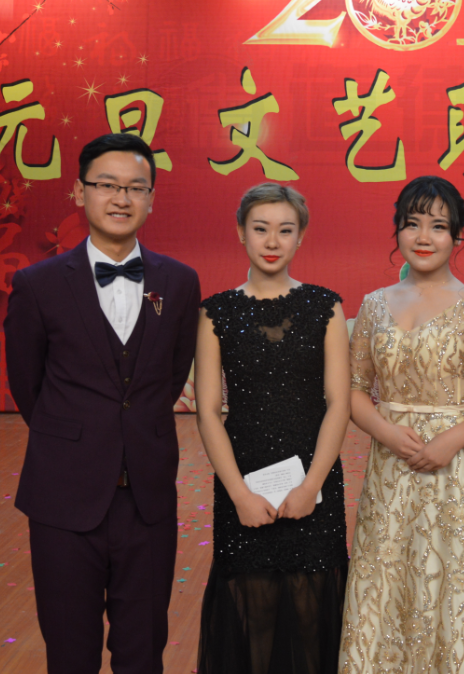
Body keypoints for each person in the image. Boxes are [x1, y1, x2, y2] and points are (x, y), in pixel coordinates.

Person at [4, 132, 202, 674]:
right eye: (107, 185)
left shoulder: (179, 282)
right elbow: (28, 387)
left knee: (143, 651)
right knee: (70, 652)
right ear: (79, 191)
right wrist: (80, 435)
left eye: (136, 187)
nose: (121, 198)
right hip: (63, 496)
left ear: (151, 198)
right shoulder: (38, 285)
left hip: (147, 499)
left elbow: (171, 374)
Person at [339, 176, 464, 674]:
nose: (424, 237)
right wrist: (386, 431)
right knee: (388, 592)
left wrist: (450, 441)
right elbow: (353, 390)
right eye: (412, 224)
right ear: (397, 231)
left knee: (459, 595)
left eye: (439, 226)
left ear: (456, 236)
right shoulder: (374, 305)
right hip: (390, 474)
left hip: (456, 474)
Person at [193, 184, 351, 674]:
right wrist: (239, 493)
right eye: (260, 228)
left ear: (300, 237)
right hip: (243, 482)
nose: (272, 241)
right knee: (251, 611)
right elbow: (208, 412)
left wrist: (310, 486)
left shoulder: (325, 306)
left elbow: (339, 403)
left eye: (285, 230)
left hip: (314, 485)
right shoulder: (215, 312)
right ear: (241, 232)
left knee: (312, 613)